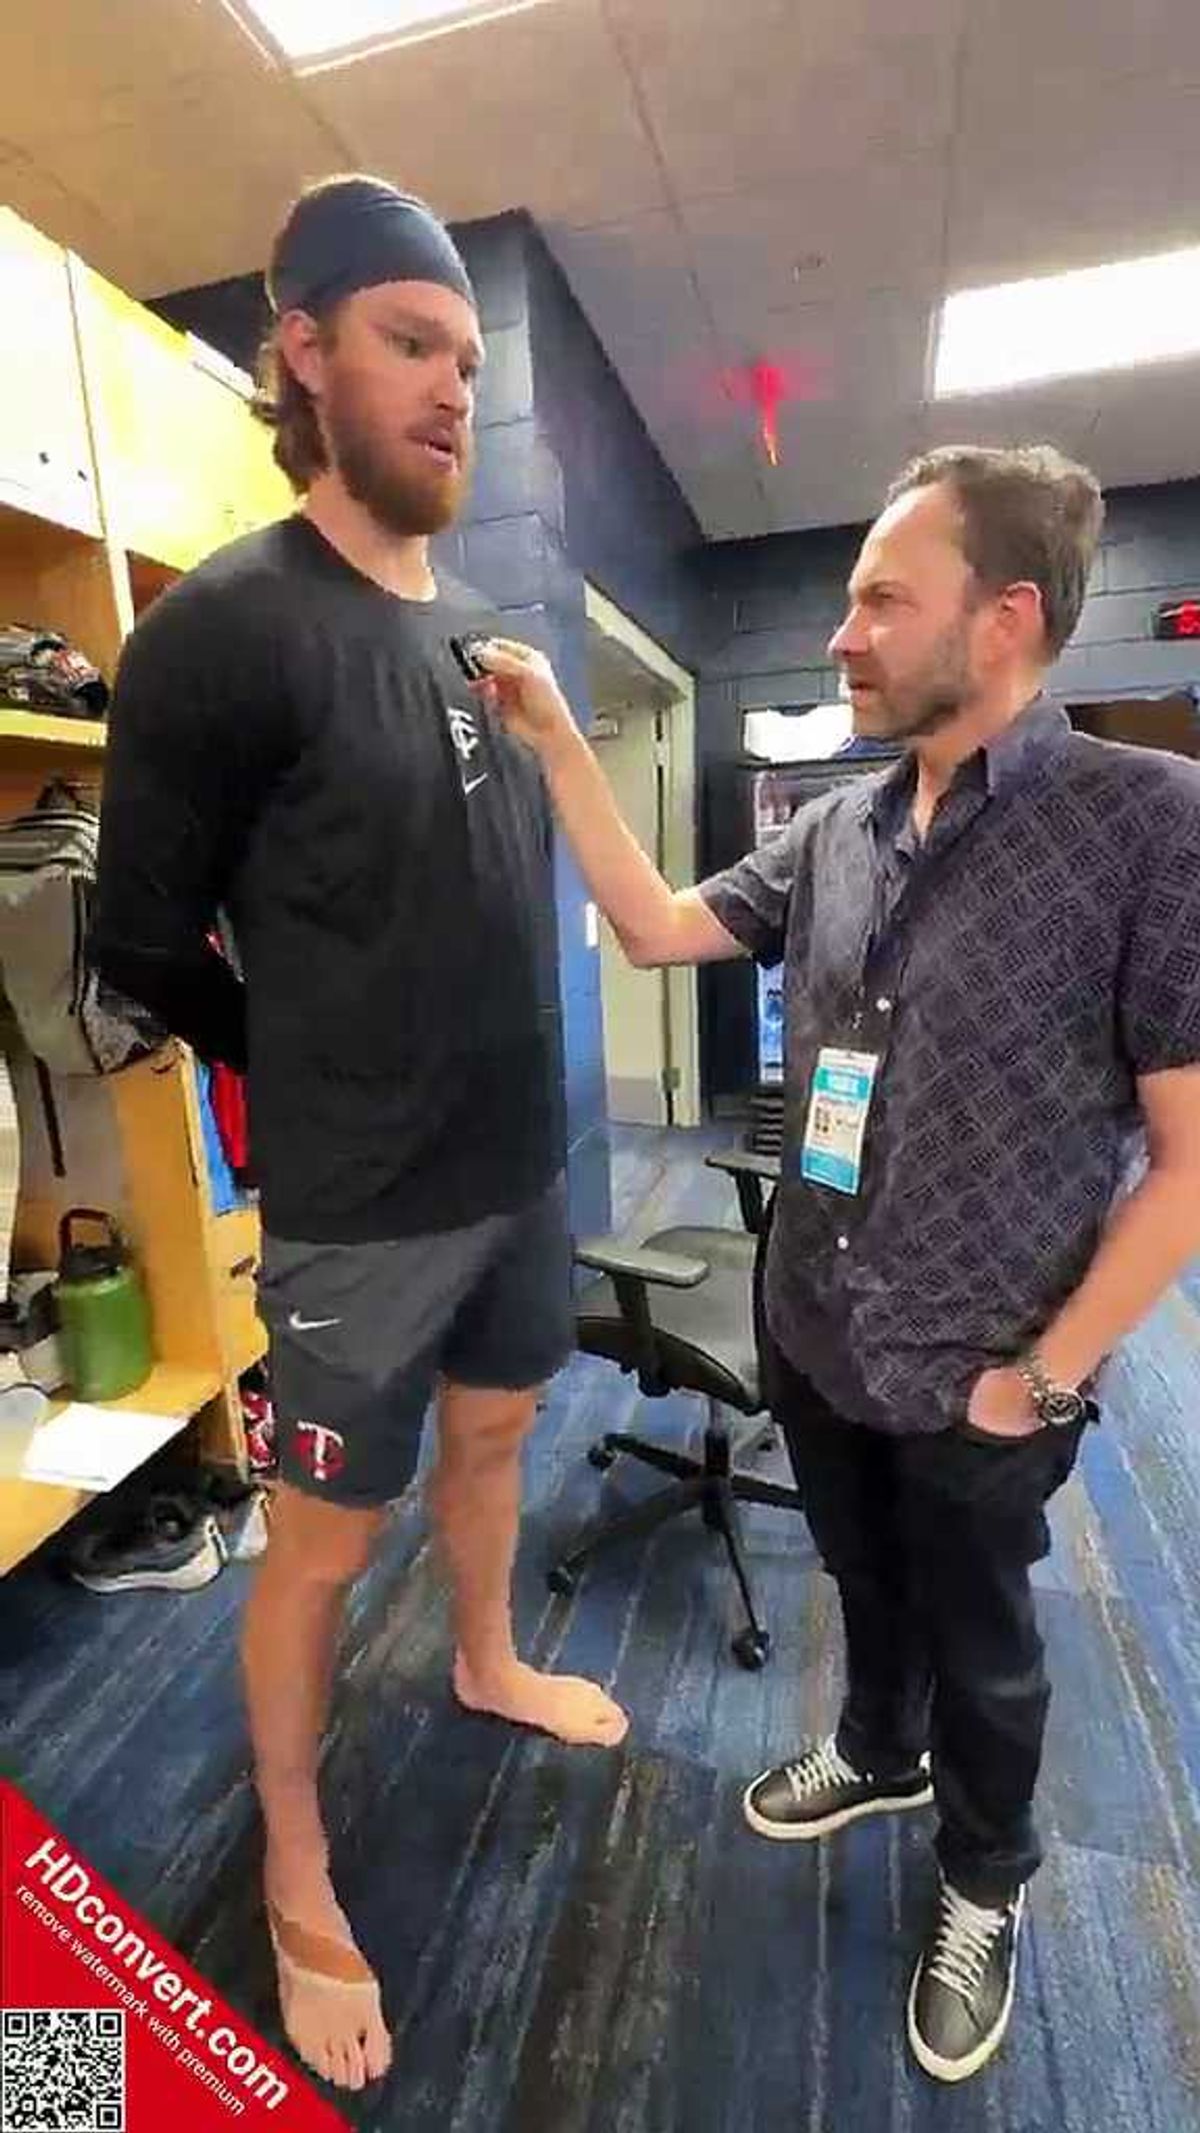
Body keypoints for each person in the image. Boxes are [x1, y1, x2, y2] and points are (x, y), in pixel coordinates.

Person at [472, 444, 1200, 2085]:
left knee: (988, 1641)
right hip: (817, 1315)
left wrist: (1046, 1377)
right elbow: (659, 926)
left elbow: (1189, 1165)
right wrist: (557, 742)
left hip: (988, 1367)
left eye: (882, 595)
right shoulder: (839, 829)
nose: (844, 631)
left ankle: (987, 1876)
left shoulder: (1145, 826)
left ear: (1008, 618)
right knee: (865, 1589)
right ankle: (877, 1749)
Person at [93, 174, 627, 2095]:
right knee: (322, 1541)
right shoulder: (225, 633)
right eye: (413, 344)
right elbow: (134, 941)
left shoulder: (490, 632)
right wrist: (294, 1073)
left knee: (495, 1435)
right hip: (360, 1214)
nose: (454, 393)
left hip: (519, 1170)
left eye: (469, 362)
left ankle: (483, 1655)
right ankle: (299, 1867)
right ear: (302, 350)